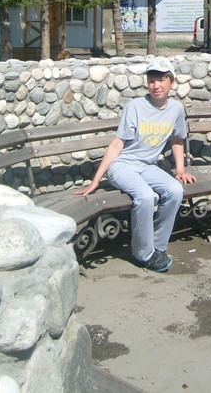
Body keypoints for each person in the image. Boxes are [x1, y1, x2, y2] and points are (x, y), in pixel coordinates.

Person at [74, 57, 195, 272]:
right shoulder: (135, 107)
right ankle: (143, 253)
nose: (156, 85)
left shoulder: (176, 109)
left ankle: (157, 247)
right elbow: (117, 144)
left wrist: (180, 170)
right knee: (146, 196)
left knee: (175, 190)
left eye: (161, 80)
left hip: (146, 166)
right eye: (152, 80)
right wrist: (96, 181)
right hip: (122, 166)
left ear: (172, 82)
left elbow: (177, 140)